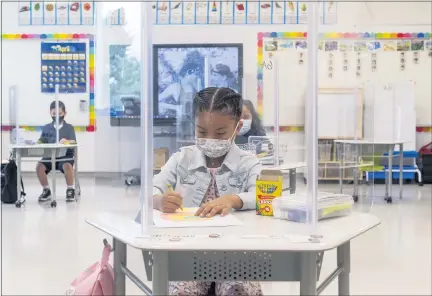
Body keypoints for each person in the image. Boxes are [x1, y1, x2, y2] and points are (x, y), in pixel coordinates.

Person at [136, 87, 263, 296]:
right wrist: (158, 201)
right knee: (181, 291)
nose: (210, 138)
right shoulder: (181, 159)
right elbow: (149, 191)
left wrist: (234, 199)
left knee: (238, 290)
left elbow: (263, 197)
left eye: (220, 133)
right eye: (202, 132)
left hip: (235, 252)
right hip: (189, 251)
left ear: (238, 127)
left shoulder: (248, 163)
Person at [36, 101, 77, 202]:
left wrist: (67, 141)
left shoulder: (69, 128)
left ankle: (70, 189)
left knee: (67, 166)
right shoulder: (46, 127)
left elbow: (74, 142)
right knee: (39, 166)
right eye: (54, 114)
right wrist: (38, 142)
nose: (57, 116)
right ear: (50, 113)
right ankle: (46, 190)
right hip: (49, 156)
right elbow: (42, 140)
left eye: (60, 114)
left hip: (65, 156)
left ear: (64, 113)